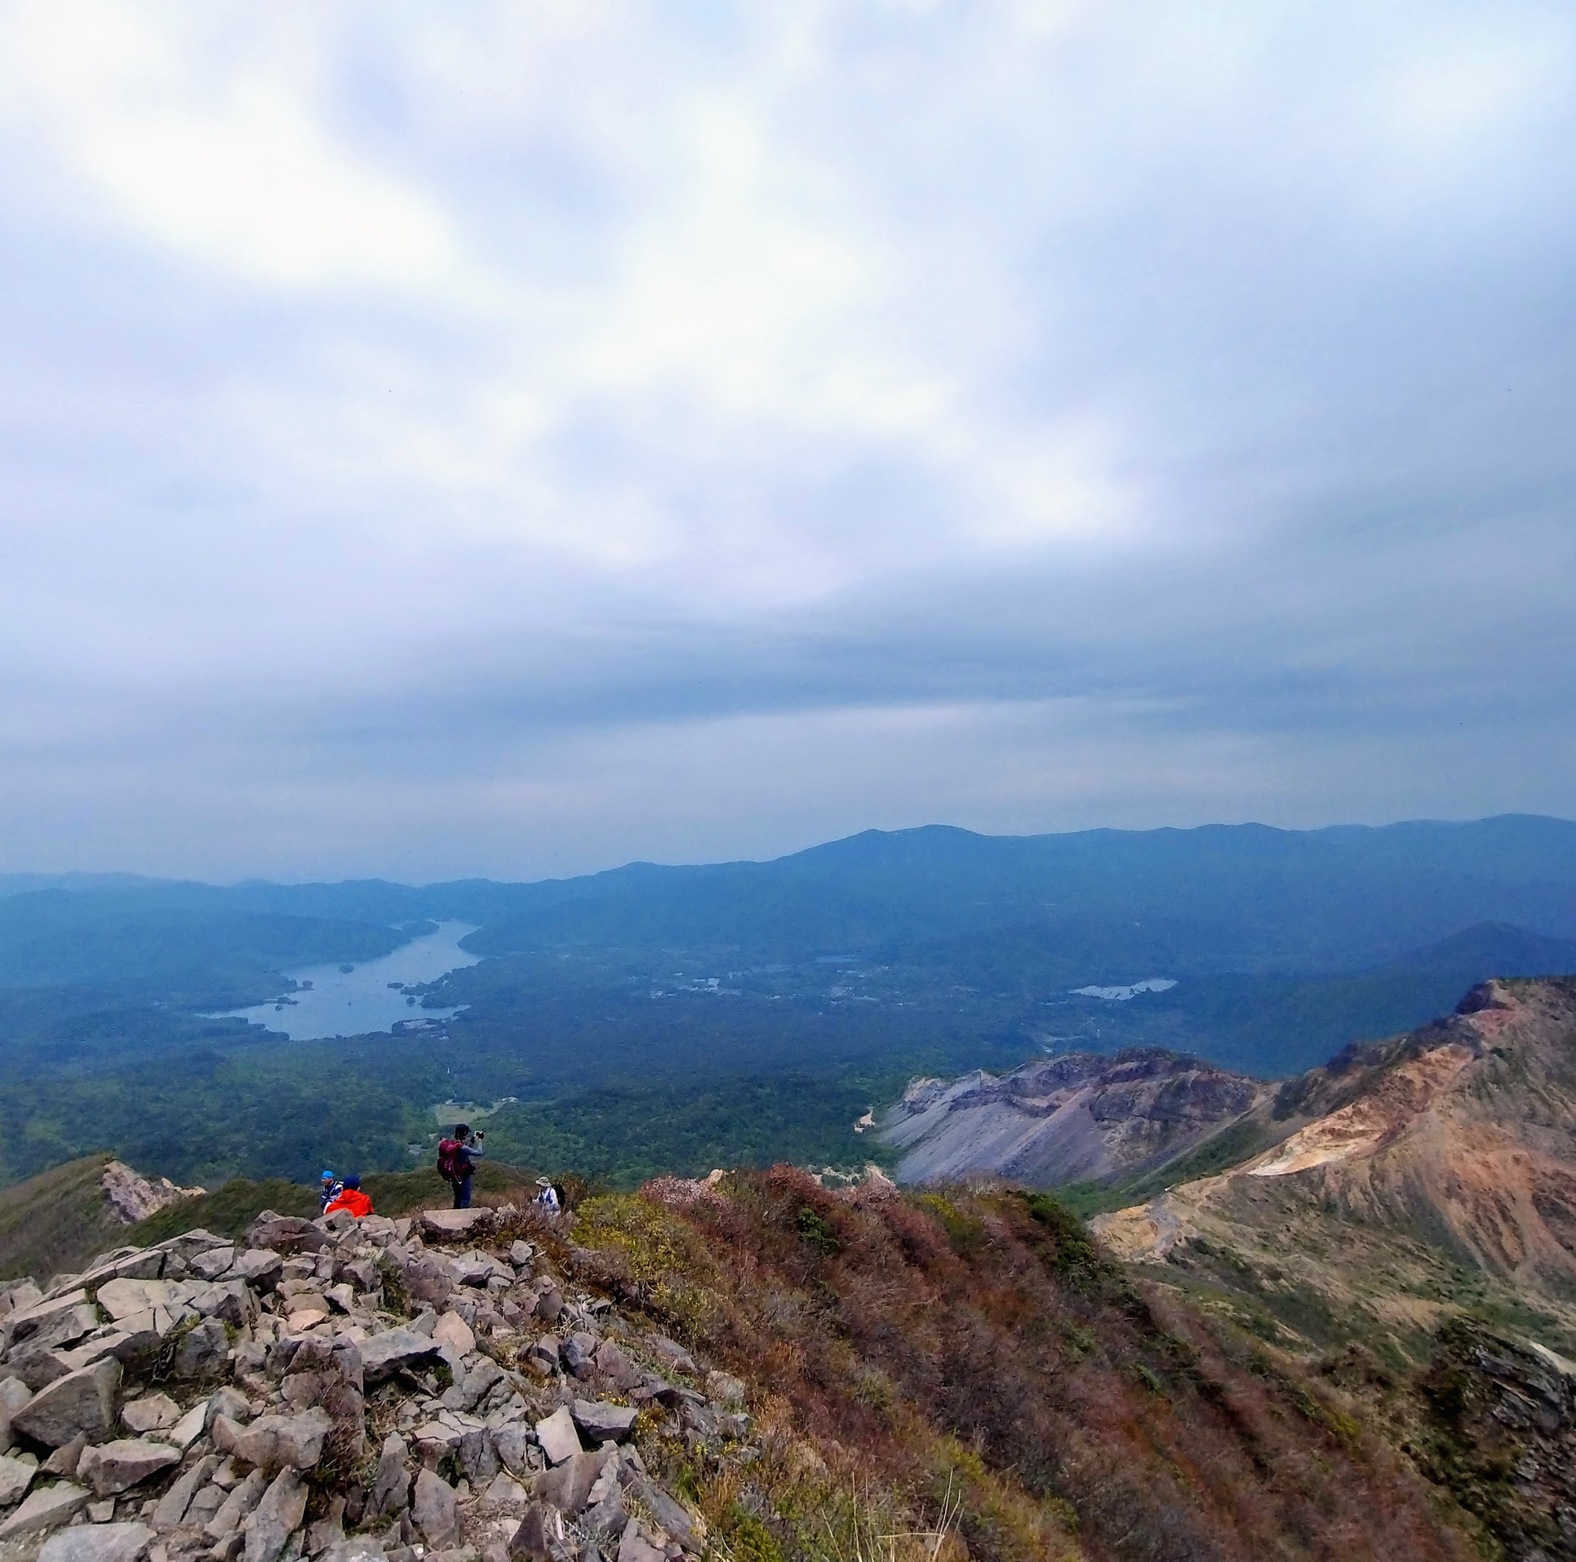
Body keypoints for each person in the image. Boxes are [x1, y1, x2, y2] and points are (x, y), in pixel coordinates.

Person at [436, 1123, 485, 1209]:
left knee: (458, 1197)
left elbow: (466, 1149)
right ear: (464, 1134)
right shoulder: (461, 1147)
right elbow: (479, 1152)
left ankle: (455, 1216)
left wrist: (473, 1139)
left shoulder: (455, 1145)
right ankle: (463, 1216)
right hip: (463, 1175)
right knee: (465, 1198)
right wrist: (480, 1140)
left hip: (455, 1175)